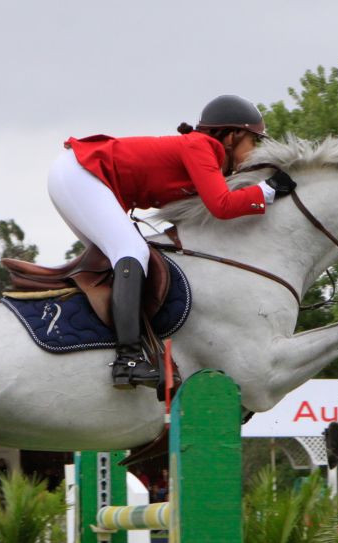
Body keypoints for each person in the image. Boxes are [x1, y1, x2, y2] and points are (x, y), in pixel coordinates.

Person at [49, 94, 297, 389]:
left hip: (79, 175)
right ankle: (127, 360)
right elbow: (222, 206)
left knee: (117, 262)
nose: (254, 151)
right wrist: (268, 190)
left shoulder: (204, 155)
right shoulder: (203, 146)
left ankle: (99, 345)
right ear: (232, 136)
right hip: (82, 173)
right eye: (253, 141)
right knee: (131, 251)